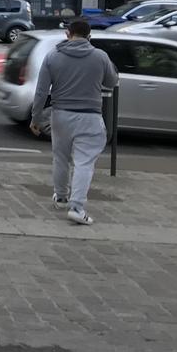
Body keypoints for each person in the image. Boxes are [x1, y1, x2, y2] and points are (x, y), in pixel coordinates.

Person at [31, 17, 118, 225]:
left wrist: (35, 118)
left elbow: (42, 91)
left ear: (67, 35)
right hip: (90, 116)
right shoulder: (100, 56)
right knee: (84, 162)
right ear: (89, 36)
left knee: (60, 157)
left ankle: (61, 196)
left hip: (60, 115)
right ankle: (77, 207)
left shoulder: (52, 57)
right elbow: (112, 81)